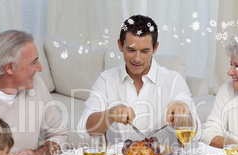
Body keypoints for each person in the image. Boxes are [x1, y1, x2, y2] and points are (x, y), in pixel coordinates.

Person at [78, 15, 199, 145]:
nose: (137, 58)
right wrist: (110, 114)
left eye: (144, 51)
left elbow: (196, 134)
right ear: (120, 45)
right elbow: (85, 130)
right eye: (131, 50)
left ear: (155, 47)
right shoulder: (106, 79)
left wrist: (183, 111)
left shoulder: (174, 80)